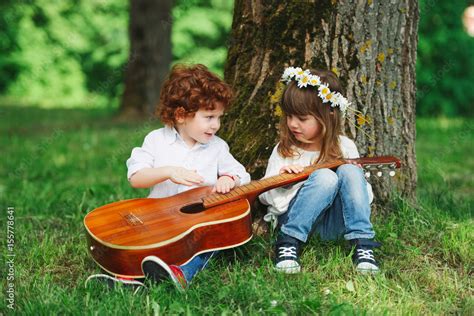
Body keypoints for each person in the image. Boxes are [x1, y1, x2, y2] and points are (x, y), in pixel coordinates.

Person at [88, 64, 251, 292]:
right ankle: (128, 279)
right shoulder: (156, 140)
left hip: (197, 226)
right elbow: (137, 177)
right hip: (159, 219)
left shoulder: (217, 147)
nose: (216, 125)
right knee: (143, 245)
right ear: (181, 115)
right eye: (209, 117)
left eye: (219, 117)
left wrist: (229, 179)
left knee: (209, 244)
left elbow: (242, 174)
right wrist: (168, 171)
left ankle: (181, 275)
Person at [259, 67, 380, 274]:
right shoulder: (285, 149)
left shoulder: (345, 146)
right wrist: (284, 181)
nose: (293, 124)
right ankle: (288, 243)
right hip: (294, 221)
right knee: (324, 177)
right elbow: (264, 196)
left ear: (328, 116)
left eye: (302, 119)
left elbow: (364, 199)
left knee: (350, 172)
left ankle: (363, 244)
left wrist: (354, 178)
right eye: (289, 116)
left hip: (333, 227)